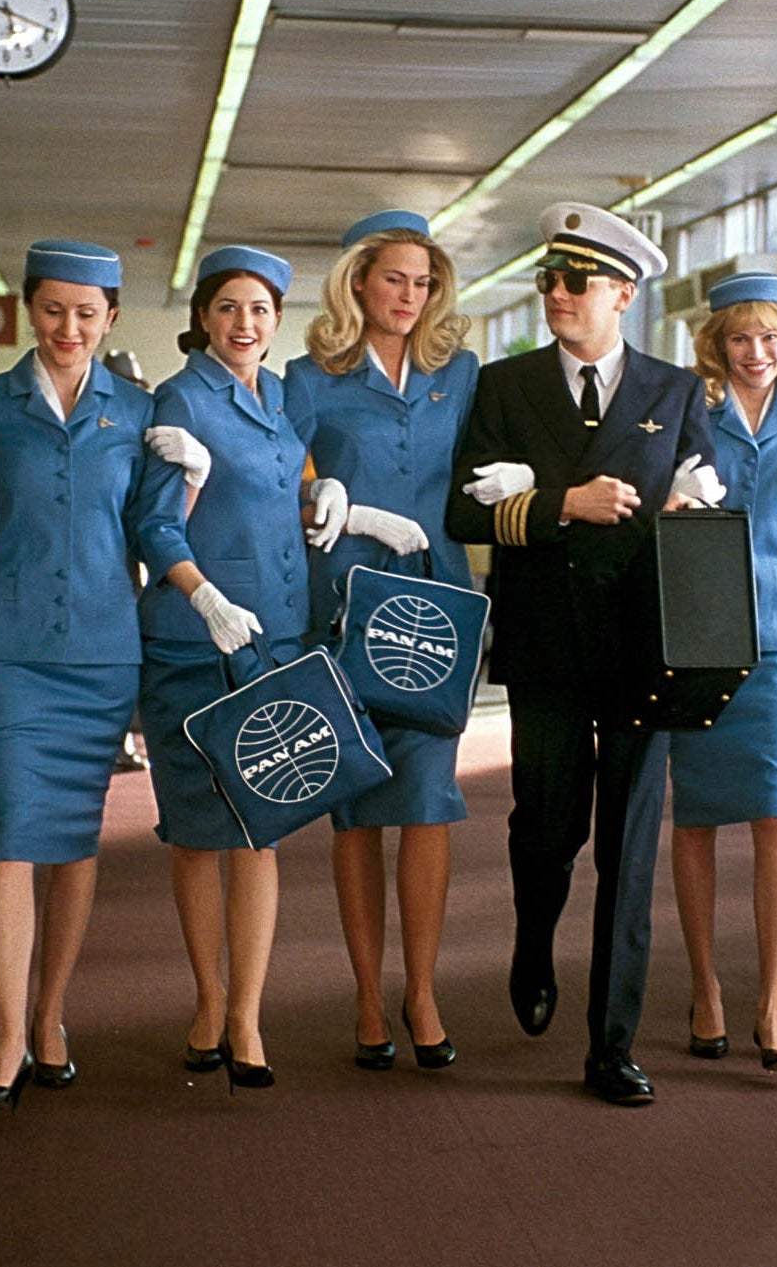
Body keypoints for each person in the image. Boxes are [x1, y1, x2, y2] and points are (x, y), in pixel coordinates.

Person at [446, 200, 714, 1105]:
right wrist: (565, 502)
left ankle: (612, 1044)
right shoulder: (507, 384)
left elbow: (706, 485)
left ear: (623, 296)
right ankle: (532, 942)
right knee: (547, 828)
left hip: (645, 649)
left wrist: (692, 505)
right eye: (549, 281)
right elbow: (466, 509)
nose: (557, 294)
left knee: (629, 850)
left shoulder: (674, 391)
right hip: (549, 641)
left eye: (576, 282)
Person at [0, 240, 189, 1109]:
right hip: (7, 646)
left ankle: (50, 1015)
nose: (69, 327)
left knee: (74, 840)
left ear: (112, 317)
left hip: (103, 649)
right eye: (53, 310)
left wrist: (195, 477)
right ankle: (6, 1036)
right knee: (13, 831)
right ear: (28, 310)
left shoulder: (141, 409)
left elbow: (155, 532)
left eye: (87, 313)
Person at [136, 243, 337, 1090]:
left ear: (275, 320)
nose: (245, 323)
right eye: (228, 308)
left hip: (278, 636)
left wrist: (326, 495)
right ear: (204, 319)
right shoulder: (181, 395)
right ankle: (208, 999)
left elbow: (281, 489)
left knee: (261, 831)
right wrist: (203, 595)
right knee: (195, 833)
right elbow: (153, 523)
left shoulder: (284, 398)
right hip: (194, 637)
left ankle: (248, 1012)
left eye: (259, 310)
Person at [285, 210, 480, 1072]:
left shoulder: (461, 373)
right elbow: (278, 474)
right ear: (359, 281)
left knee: (430, 801)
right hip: (344, 609)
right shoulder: (309, 377)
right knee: (359, 805)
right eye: (395, 277)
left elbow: (492, 463)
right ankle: (368, 991)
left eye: (424, 281)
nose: (410, 295)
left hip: (437, 613)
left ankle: (423, 987)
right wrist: (329, 497)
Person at [667, 271, 777, 1071]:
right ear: (717, 344)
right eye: (741, 337)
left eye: (771, 337)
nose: (756, 352)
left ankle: (773, 1001)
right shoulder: (686, 417)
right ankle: (706, 987)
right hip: (700, 633)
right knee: (698, 816)